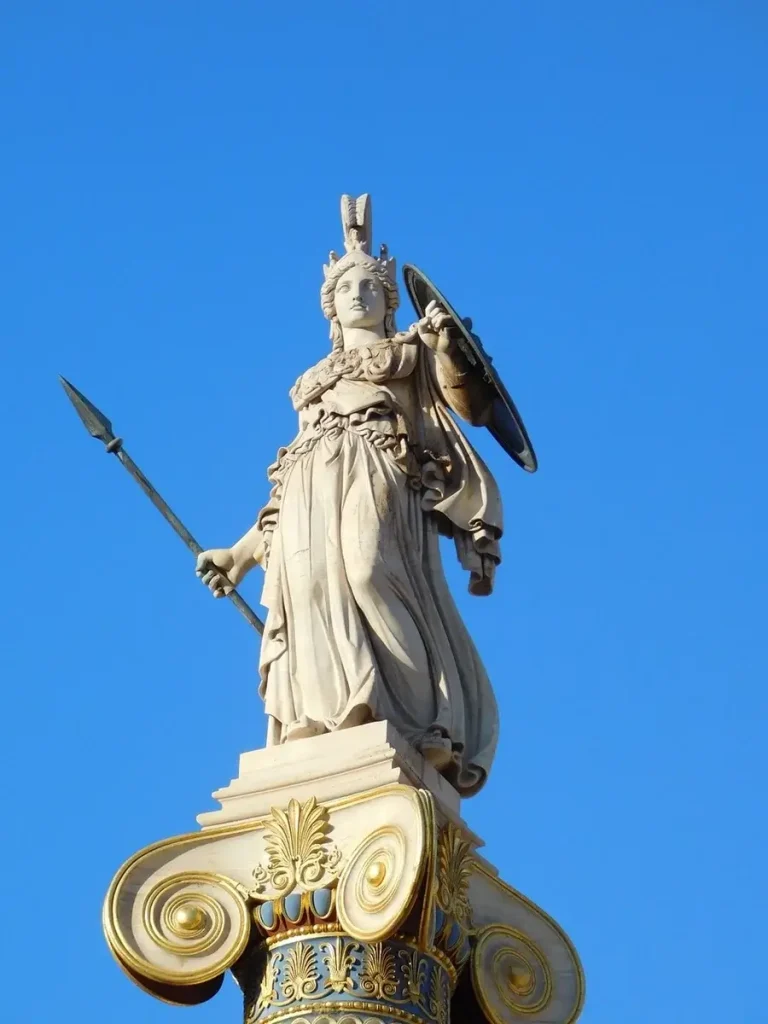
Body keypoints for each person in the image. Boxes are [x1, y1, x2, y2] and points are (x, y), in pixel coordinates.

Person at [196, 195, 503, 795]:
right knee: (309, 588)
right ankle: (324, 716)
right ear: (330, 307)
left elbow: (467, 404)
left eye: (369, 287)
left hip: (377, 465)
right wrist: (238, 554)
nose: (357, 295)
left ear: (389, 301)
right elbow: (281, 492)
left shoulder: (410, 352)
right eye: (345, 289)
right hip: (312, 481)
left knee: (367, 573)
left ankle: (424, 723)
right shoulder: (312, 382)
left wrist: (446, 348)